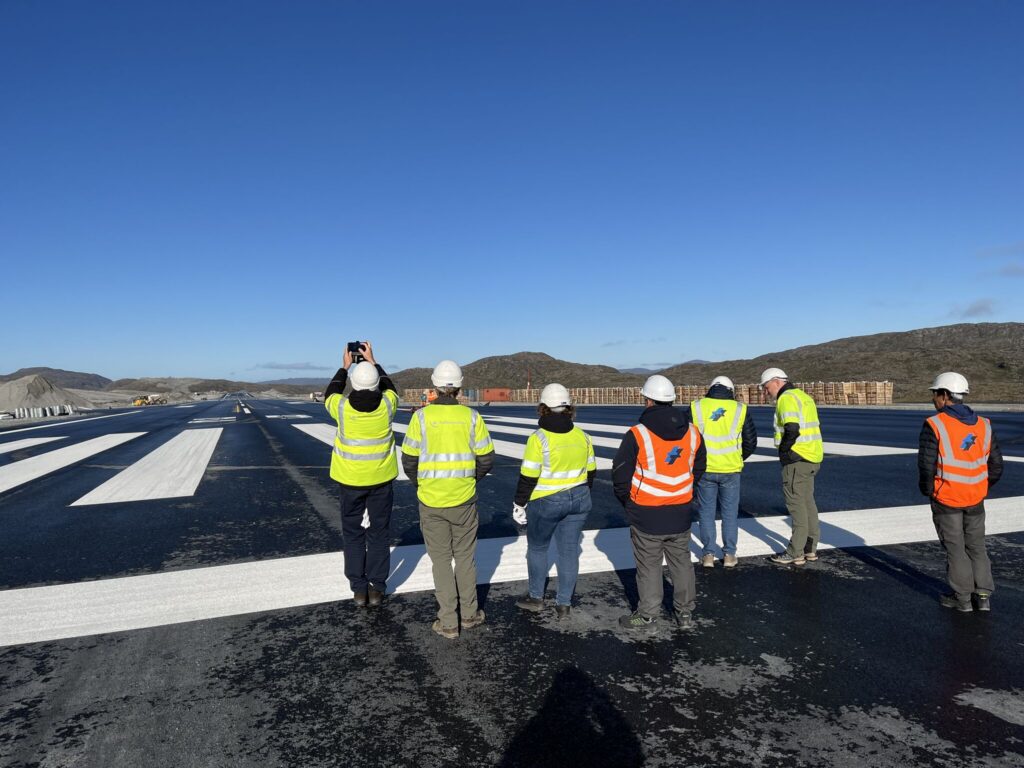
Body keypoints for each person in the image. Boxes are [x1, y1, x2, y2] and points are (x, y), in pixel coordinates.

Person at [401, 360, 495, 638]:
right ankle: (469, 615)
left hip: (431, 500)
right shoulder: (472, 417)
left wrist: (422, 484)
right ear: (459, 387)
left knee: (440, 561)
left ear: (434, 386)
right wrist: (469, 479)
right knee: (465, 558)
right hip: (464, 499)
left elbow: (409, 460)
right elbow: (487, 458)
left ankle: (448, 622)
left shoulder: (420, 418)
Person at [612, 375, 706, 630]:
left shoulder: (637, 434)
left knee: (649, 566)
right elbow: (699, 467)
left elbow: (620, 474)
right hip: (681, 510)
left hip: (646, 512)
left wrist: (629, 503)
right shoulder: (693, 432)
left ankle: (648, 616)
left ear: (648, 399)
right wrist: (685, 490)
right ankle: (685, 613)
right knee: (682, 563)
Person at [918, 372, 1003, 612]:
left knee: (955, 549)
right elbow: (996, 465)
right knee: (976, 545)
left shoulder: (935, 424)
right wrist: (980, 486)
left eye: (935, 394)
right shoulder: (984, 425)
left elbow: (926, 465)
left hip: (947, 499)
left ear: (944, 396)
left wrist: (930, 491)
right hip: (976, 498)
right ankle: (983, 595)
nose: (933, 399)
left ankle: (963, 599)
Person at [324, 341, 399, 607]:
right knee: (379, 534)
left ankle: (358, 589)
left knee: (353, 534)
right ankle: (377, 588)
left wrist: (345, 366)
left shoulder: (341, 408)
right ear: (376, 382)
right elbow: (391, 388)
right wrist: (374, 361)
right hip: (381, 480)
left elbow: (330, 392)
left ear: (353, 384)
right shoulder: (388, 405)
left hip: (351, 481)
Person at [513, 383, 597, 619]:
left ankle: (536, 598)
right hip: (580, 498)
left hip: (547, 501)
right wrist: (580, 495)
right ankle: (564, 604)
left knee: (538, 548)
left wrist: (519, 504)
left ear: (543, 407)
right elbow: (591, 472)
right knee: (569, 552)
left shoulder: (538, 438)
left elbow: (528, 476)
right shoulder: (583, 436)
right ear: (569, 407)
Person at [690, 375, 757, 568]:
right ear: (731, 390)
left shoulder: (696, 407)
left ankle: (708, 555)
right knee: (729, 513)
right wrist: (737, 457)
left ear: (711, 388)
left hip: (705, 470)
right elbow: (750, 442)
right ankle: (729, 555)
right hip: (731, 470)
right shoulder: (740, 409)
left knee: (706, 512)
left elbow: (686, 437)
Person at [759, 368, 824, 566]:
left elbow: (792, 428)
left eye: (766, 387)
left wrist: (784, 452)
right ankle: (809, 549)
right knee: (808, 504)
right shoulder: (804, 397)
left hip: (797, 460)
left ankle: (795, 552)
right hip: (812, 457)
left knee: (797, 507)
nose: (766, 392)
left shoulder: (786, 398)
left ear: (777, 382)